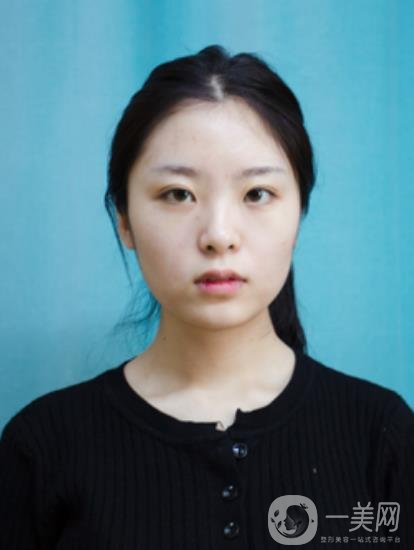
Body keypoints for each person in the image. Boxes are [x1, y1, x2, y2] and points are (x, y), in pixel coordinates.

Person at [0, 45, 413, 550]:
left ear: (299, 213)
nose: (219, 235)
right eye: (178, 194)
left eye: (257, 194)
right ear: (124, 219)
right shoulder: (42, 447)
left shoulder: (380, 435)